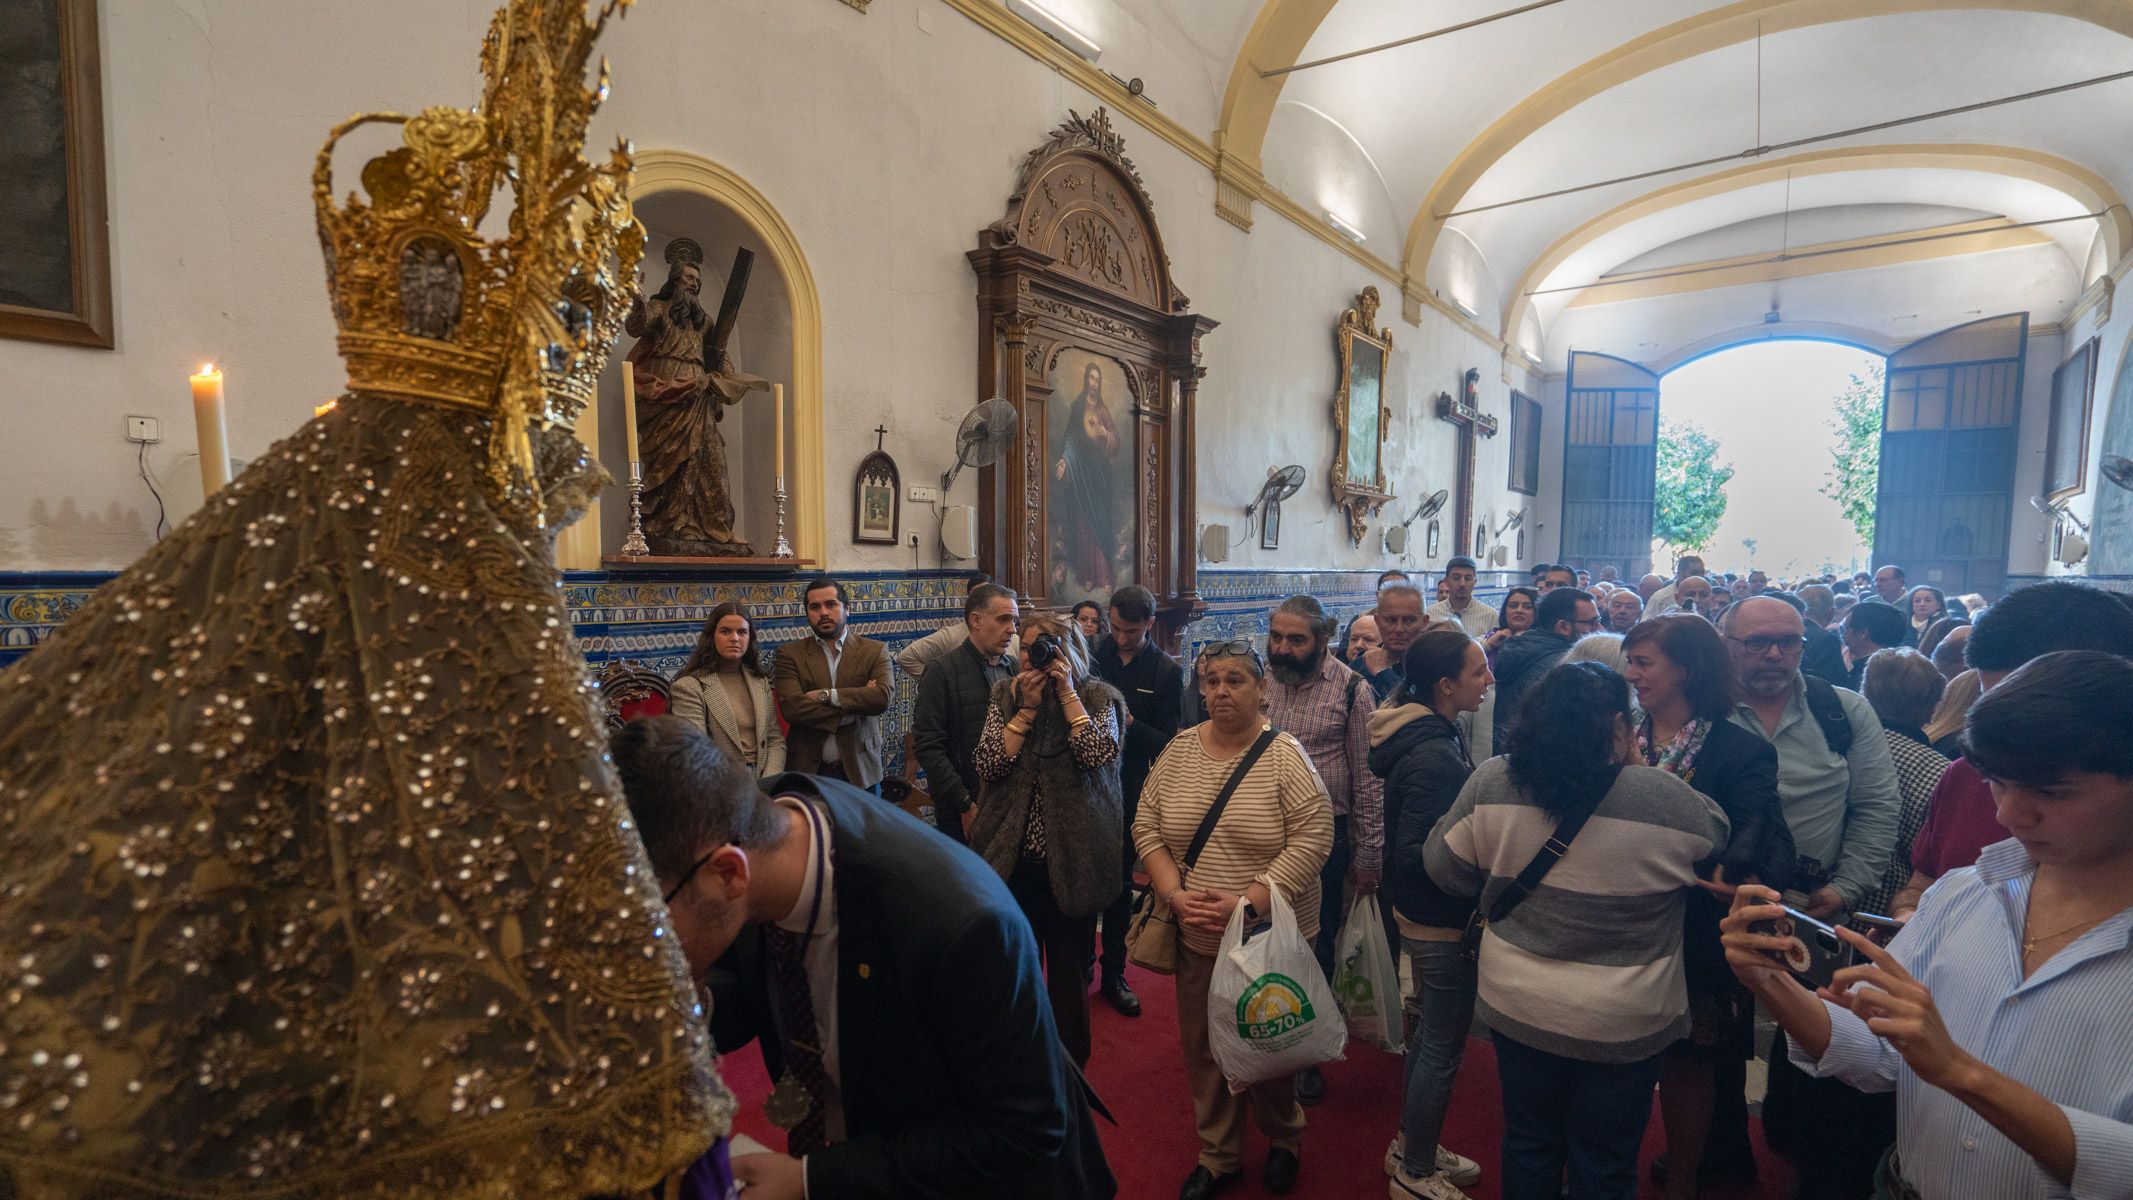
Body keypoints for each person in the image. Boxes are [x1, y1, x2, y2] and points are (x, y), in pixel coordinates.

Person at [615, 716, 1118, 1200]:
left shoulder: (958, 924)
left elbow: (1024, 1128)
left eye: (647, 923)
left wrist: (814, 1180)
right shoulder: (747, 824)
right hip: (871, 1135)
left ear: (729, 874)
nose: (635, 948)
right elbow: (750, 987)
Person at [1718, 651, 2133, 1200]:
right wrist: (1772, 982)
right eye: (1997, 783)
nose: (2008, 814)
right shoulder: (1966, 891)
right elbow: (1879, 1054)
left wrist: (1961, 1071)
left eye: (2052, 792)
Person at [1426, 662, 1730, 1200]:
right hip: (1624, 1015)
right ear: (1619, 726)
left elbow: (1444, 869)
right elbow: (1716, 835)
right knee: (1606, 1159)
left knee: (1528, 1140)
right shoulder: (1663, 798)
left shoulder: (1494, 779)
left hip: (1518, 1001)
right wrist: (1636, 763)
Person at [1137, 641, 1334, 1200]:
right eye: (1212, 681)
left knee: (1270, 1042)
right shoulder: (1179, 750)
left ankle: (1283, 1136)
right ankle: (1219, 1153)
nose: (1221, 692)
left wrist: (1249, 902)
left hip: (1267, 934)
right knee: (1205, 1047)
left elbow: (1315, 836)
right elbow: (1147, 825)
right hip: (1198, 930)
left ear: (1262, 688)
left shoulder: (1285, 756)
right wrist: (1173, 894)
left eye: (1235, 681)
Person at [1722, 596, 1903, 1198]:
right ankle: (1717, 1154)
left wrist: (1844, 888)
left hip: (1812, 905)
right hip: (1715, 901)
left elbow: (1877, 807)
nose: (1776, 654)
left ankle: (1796, 1156)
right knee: (1709, 1038)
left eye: (1790, 641)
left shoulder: (1841, 709)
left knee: (1809, 1041)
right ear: (1727, 643)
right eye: (1758, 642)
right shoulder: (1703, 705)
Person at [1622, 615, 1796, 1197]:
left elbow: (1759, 830)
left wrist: (1731, 871)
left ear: (1686, 669)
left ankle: (1686, 1176)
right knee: (1613, 1055)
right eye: (1631, 662)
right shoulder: (1616, 735)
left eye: (1644, 662)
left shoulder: (1738, 748)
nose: (1632, 674)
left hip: (1696, 928)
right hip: (1618, 920)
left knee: (1690, 1059)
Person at [1891, 580, 2133, 917]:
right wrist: (1908, 919)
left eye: (2053, 791)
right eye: (1987, 699)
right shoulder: (1965, 775)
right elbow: (1920, 886)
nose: (2007, 815)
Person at [970, 614, 1125, 1069]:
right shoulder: (1006, 694)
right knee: (1012, 970)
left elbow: (1097, 755)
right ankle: (1016, 1063)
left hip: (1073, 859)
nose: (1032, 657)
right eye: (1025, 648)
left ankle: (1071, 1068)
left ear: (1070, 649)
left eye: (1044, 647)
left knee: (1068, 974)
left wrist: (1068, 693)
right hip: (1011, 858)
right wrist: (1026, 710)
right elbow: (988, 764)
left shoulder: (1101, 697)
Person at [1375, 630, 1494, 1200]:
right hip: (1440, 919)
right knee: (1442, 1046)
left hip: (1426, 913)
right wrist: (1473, 886)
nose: (1489, 680)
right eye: (1479, 671)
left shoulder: (1433, 733)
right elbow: (1416, 852)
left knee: (1429, 1035)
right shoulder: (1432, 752)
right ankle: (1416, 1172)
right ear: (1445, 685)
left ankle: (1410, 1143)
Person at [1265, 595, 1385, 1106]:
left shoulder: (1354, 690)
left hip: (1325, 836)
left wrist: (1369, 853)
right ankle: (1264, 1032)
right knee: (1264, 939)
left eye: (1296, 640)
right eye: (1276, 637)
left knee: (1314, 943)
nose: (1282, 649)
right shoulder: (1263, 679)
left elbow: (1369, 778)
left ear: (1323, 640)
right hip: (1262, 831)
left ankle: (1309, 1054)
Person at [1090, 584, 1182, 1018]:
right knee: (1078, 877)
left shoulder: (1165, 671)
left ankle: (1114, 971)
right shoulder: (1093, 655)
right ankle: (1079, 964)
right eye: (1115, 628)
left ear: (1150, 623)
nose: (1121, 638)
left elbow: (1166, 743)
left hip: (1130, 787)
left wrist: (1128, 721)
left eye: (1130, 630)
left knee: (1119, 883)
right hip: (1085, 783)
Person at [911, 583, 1020, 845]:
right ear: (976, 620)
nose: (1013, 629)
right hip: (962, 804)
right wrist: (964, 803)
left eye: (1015, 621)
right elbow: (928, 745)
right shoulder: (942, 672)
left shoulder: (1013, 669)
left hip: (1008, 798)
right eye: (1003, 619)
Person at [1854, 648, 1951, 922]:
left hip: (1819, 900)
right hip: (1887, 918)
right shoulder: (1941, 773)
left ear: (1865, 692)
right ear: (1933, 706)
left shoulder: (1837, 747)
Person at [774, 576, 892, 792]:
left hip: (861, 771)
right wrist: (853, 710)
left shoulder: (874, 651)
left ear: (847, 608)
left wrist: (827, 696)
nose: (824, 613)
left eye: (831, 604)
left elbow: (882, 698)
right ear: (807, 613)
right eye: (815, 607)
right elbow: (792, 708)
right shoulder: (789, 655)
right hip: (808, 771)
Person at [672, 600, 788, 779]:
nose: (735, 638)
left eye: (742, 632)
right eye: (726, 631)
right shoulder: (689, 687)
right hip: (718, 780)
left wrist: (770, 781)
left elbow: (775, 739)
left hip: (765, 778)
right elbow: (696, 752)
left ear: (749, 638)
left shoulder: (760, 682)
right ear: (712, 637)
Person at [1491, 587, 1598, 750]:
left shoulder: (1522, 645)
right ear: (1563, 626)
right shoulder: (1563, 665)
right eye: (1591, 623)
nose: (1599, 628)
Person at [896, 573, 1011, 682]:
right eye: (976, 596)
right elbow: (906, 657)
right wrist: (938, 683)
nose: (981, 601)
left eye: (987, 595)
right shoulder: (951, 636)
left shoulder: (1012, 640)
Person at [1361, 582, 1429, 701]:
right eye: (1390, 620)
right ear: (1377, 621)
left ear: (1424, 622)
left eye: (1409, 620)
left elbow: (1413, 708)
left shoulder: (1435, 665)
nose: (1399, 629)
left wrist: (1381, 672)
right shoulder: (1360, 665)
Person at [1838, 600, 1910, 690]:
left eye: (1845, 628)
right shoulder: (1905, 668)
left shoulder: (1869, 676)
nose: (1843, 634)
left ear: (1863, 633)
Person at [1425, 556, 1497, 637]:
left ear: (1475, 582)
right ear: (1446, 581)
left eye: (1468, 579)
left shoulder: (1490, 616)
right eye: (1456, 578)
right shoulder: (1431, 613)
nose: (1462, 584)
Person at [1482, 587, 1538, 667]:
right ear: (1505, 611)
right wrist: (1488, 645)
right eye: (1513, 606)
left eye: (1527, 607)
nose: (1519, 610)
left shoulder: (1544, 642)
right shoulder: (1490, 638)